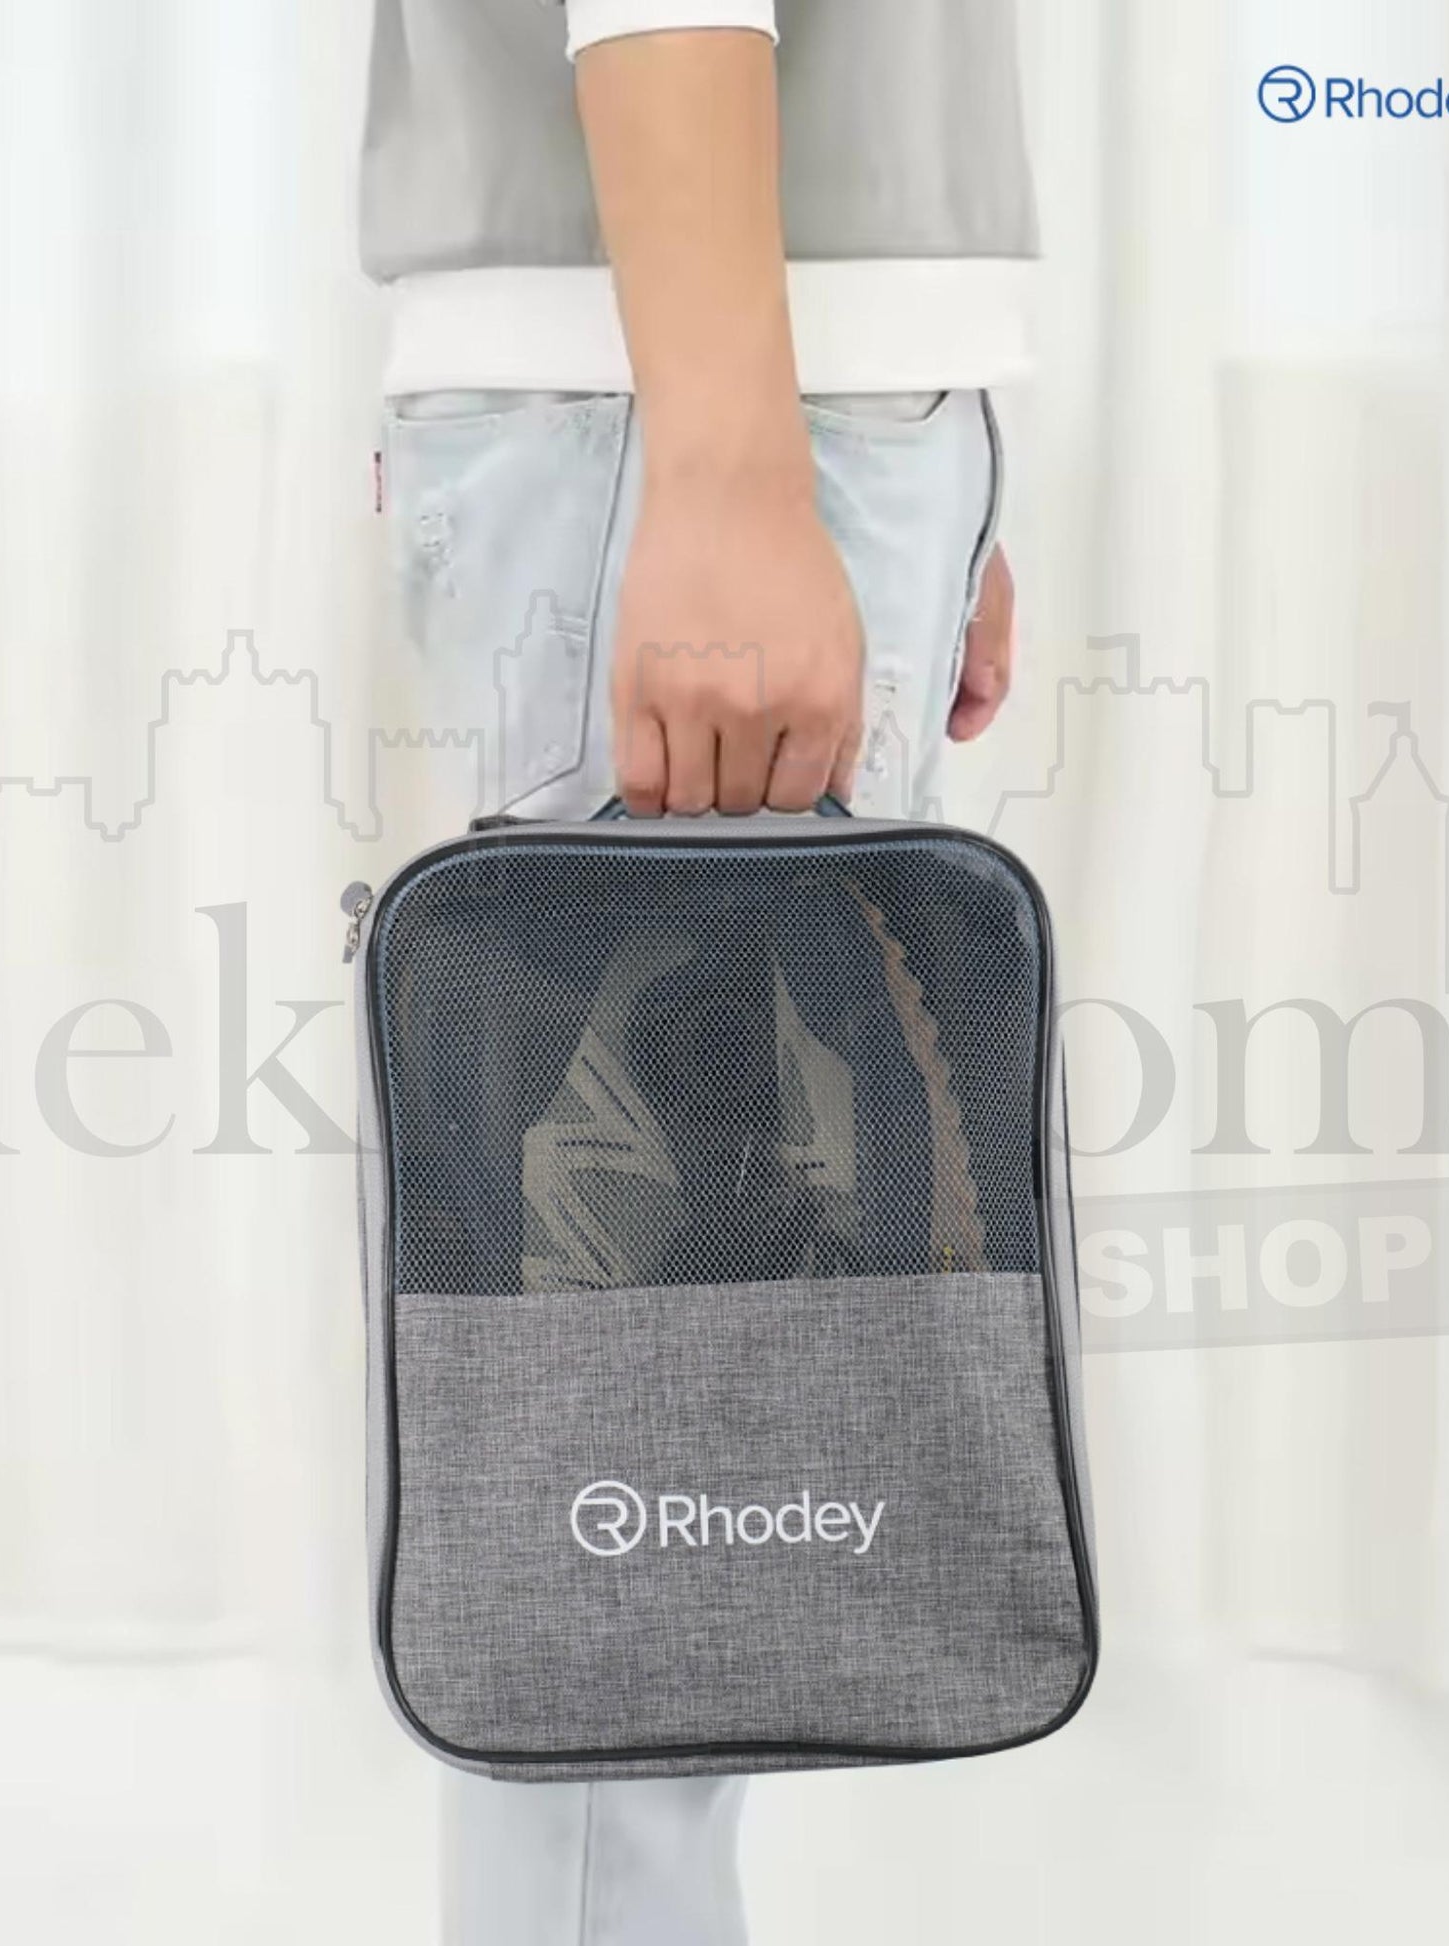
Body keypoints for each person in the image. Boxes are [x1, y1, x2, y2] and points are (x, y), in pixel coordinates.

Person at [359, 3, 1035, 1938]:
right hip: (680, 408)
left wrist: (935, 447)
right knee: (630, 1524)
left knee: (683, 1451)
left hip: (734, 392)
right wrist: (735, 473)